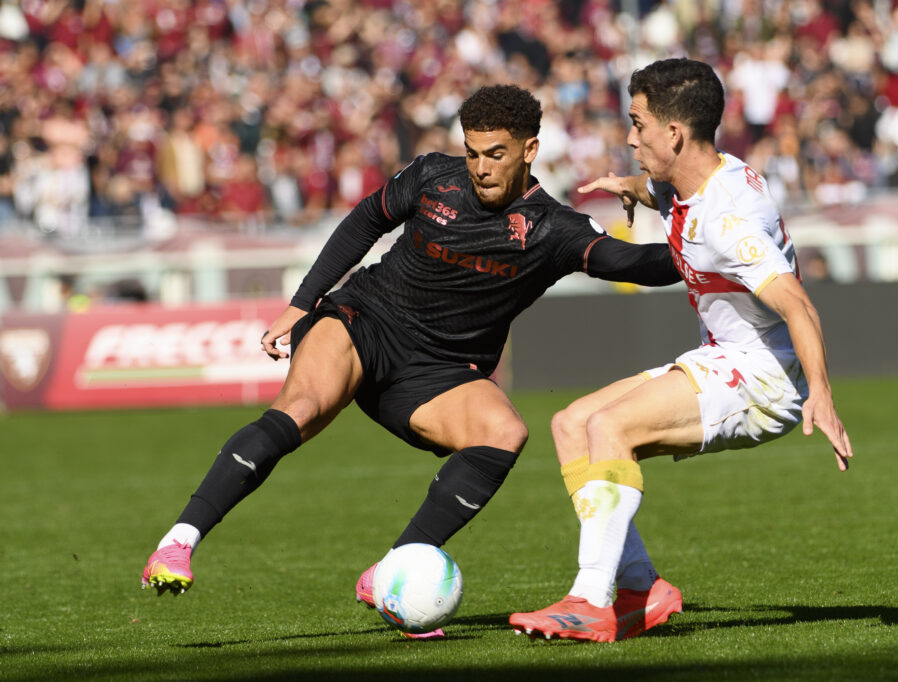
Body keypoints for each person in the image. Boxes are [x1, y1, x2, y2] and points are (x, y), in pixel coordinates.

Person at [140, 85, 682, 637]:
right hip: (364, 322)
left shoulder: (552, 228)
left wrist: (704, 238)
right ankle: (177, 544)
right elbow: (363, 222)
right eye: (472, 152)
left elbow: (633, 262)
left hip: (437, 372)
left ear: (529, 150)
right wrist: (301, 305)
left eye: (495, 154)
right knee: (299, 409)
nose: (480, 167)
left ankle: (392, 570)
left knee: (504, 432)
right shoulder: (432, 177)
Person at [508, 58, 853, 643]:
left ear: (674, 134)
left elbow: (797, 304)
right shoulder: (698, 180)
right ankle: (642, 587)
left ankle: (591, 599)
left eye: (638, 123)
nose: (629, 136)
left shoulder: (730, 220)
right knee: (572, 424)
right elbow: (672, 197)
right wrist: (634, 190)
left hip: (762, 379)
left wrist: (821, 391)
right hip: (721, 356)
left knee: (612, 427)